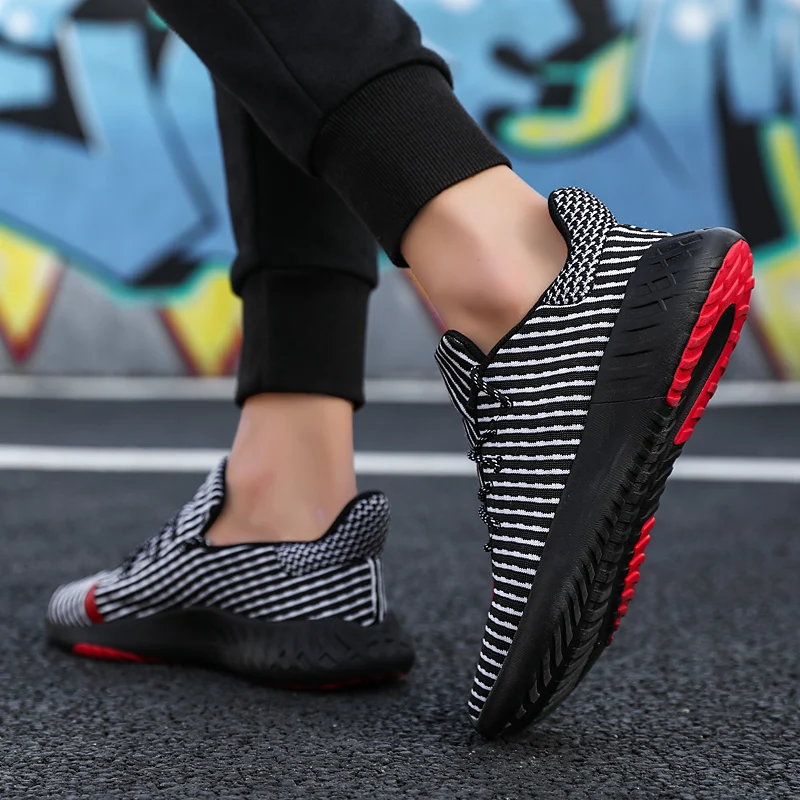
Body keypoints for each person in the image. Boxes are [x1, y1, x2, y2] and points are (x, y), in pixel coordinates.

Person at [44, 1, 755, 738]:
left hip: (545, 289)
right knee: (259, 55)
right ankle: (287, 502)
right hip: (292, 521)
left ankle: (521, 280)